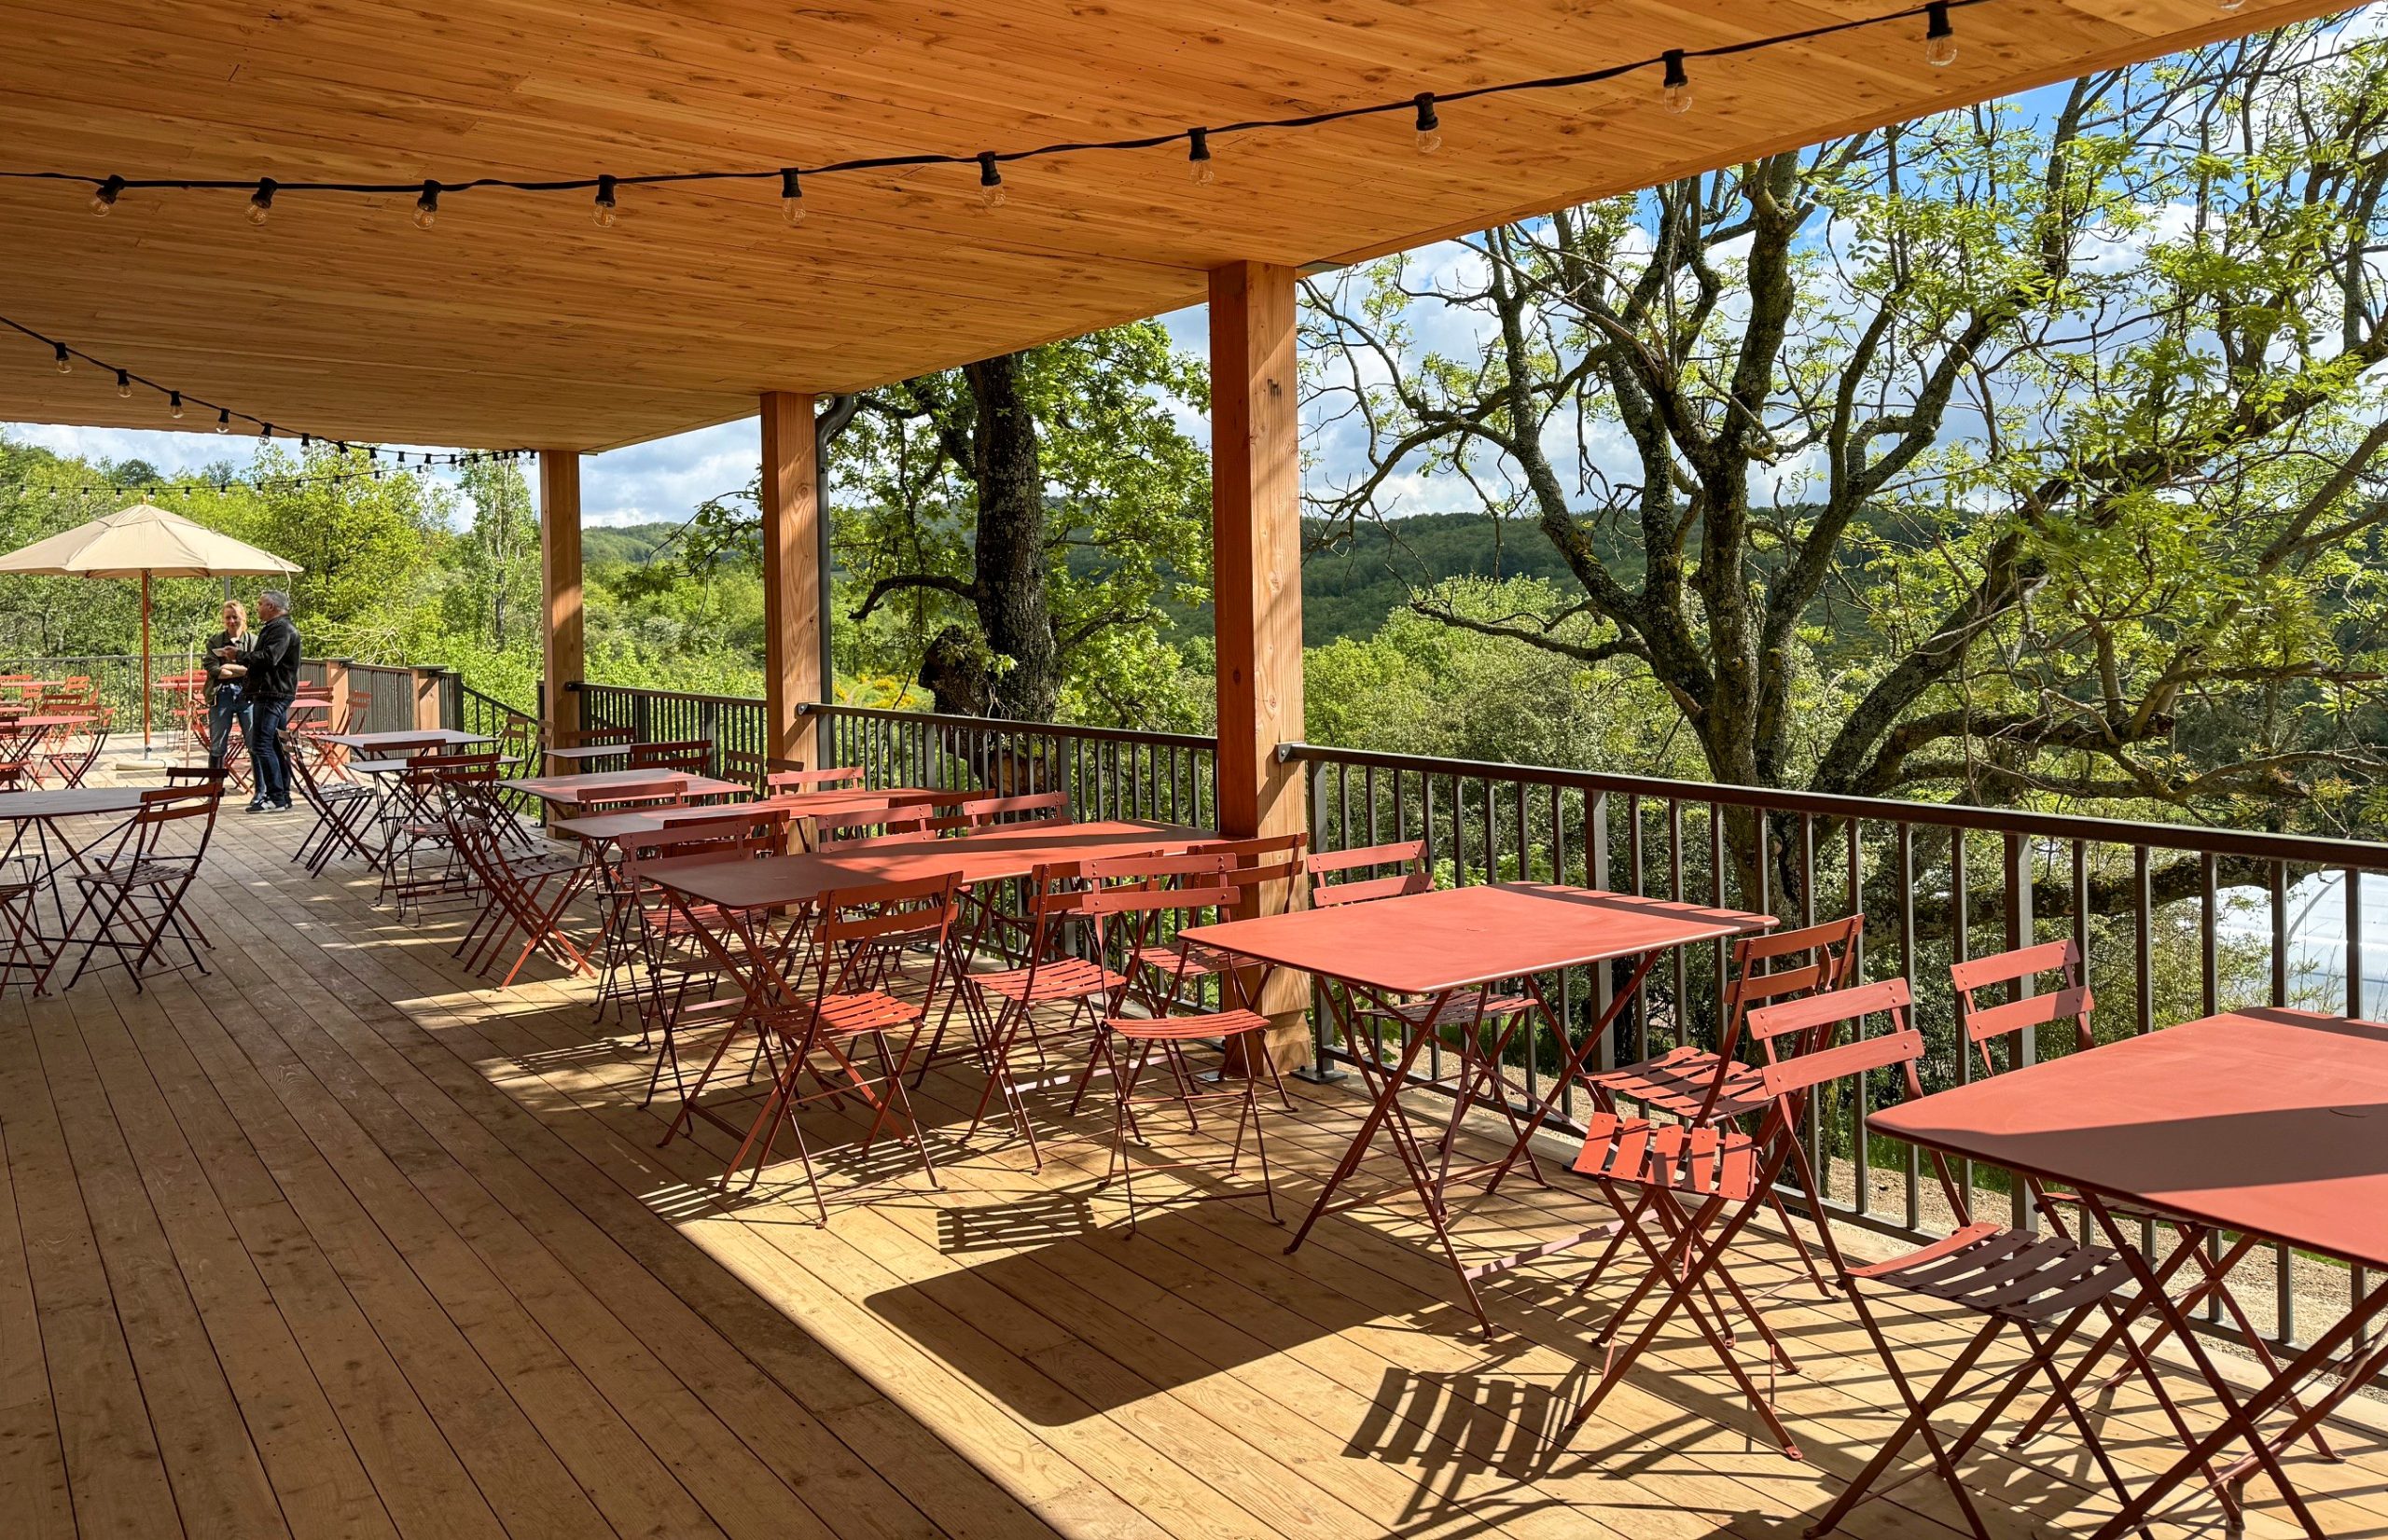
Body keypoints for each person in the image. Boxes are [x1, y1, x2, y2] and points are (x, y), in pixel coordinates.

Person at [243, 590, 301, 812]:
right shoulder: (275, 628)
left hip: (272, 693)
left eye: (260, 604)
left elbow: (269, 658)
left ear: (272, 606)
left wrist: (239, 656)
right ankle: (282, 795)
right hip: (271, 692)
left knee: (261, 743)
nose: (257, 607)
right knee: (276, 744)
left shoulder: (282, 629)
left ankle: (275, 796)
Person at [201, 598, 254, 772]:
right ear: (223, 620)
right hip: (221, 695)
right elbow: (214, 669)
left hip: (248, 695)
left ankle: (261, 791)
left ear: (243, 618)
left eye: (235, 617)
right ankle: (214, 791)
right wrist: (240, 669)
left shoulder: (253, 642)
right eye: (228, 618)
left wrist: (228, 665)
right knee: (217, 745)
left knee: (255, 744)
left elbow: (256, 668)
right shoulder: (214, 641)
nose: (231, 621)